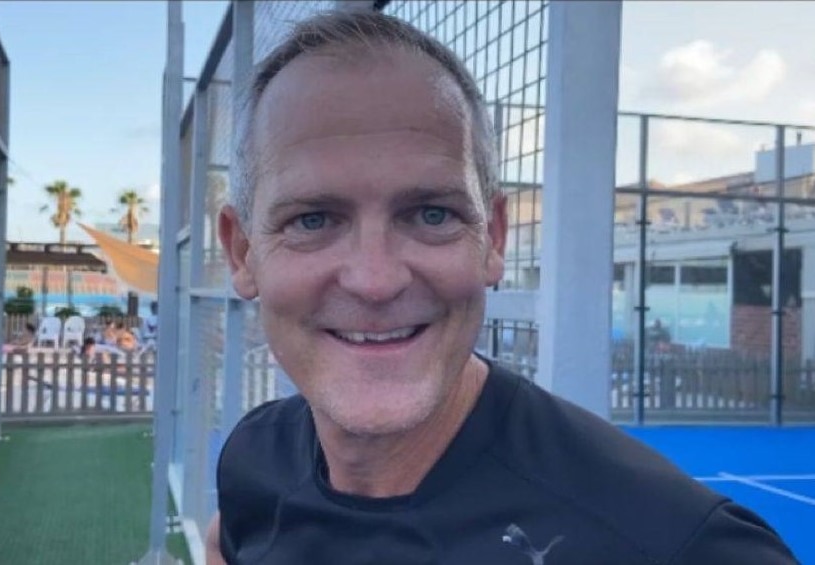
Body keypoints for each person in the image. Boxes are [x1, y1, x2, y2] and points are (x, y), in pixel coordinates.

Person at [209, 10, 797, 564]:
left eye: (432, 214)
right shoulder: (257, 458)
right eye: (312, 220)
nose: (376, 279)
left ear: (492, 238)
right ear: (243, 252)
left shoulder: (676, 545)